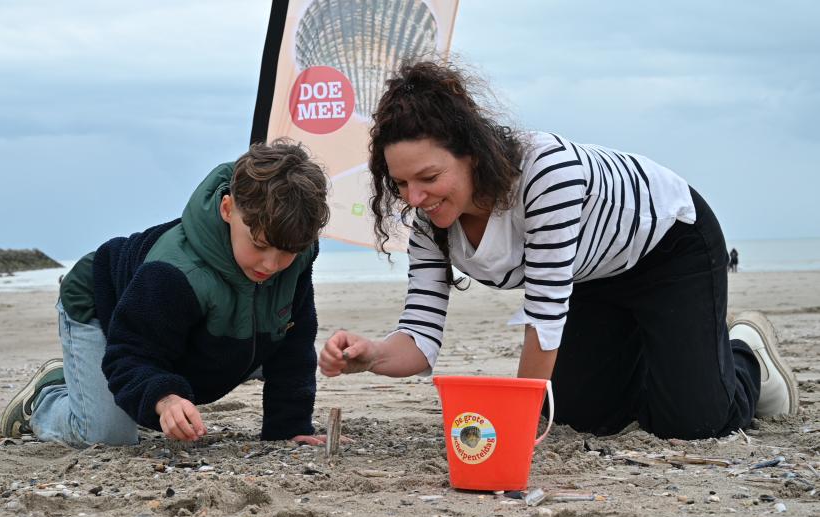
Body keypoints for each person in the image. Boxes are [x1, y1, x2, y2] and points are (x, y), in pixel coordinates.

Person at [318, 61, 798, 440]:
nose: (415, 198)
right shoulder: (428, 220)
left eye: (428, 178)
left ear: (474, 154)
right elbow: (420, 342)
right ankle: (671, 357)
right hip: (591, 275)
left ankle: (744, 357)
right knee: (583, 416)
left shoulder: (545, 174)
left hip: (669, 246)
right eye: (400, 183)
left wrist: (515, 426)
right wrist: (372, 354)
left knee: (693, 424)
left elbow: (545, 314)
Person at [0, 140, 332, 447]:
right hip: (101, 308)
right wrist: (166, 398)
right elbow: (131, 354)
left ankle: (112, 390)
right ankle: (46, 398)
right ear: (228, 209)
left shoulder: (295, 253)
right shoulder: (174, 272)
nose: (272, 264)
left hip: (191, 339)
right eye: (259, 244)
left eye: (287, 251)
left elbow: (293, 343)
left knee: (271, 344)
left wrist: (289, 427)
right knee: (106, 436)